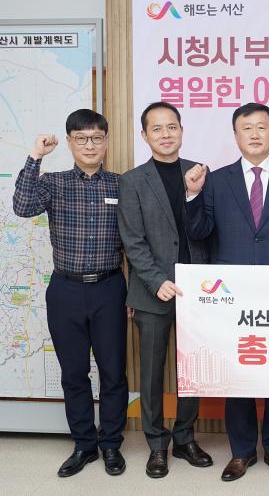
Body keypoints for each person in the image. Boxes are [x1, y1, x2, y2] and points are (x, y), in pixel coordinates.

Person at [184, 102, 269, 482]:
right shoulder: (215, 180)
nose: (255, 134)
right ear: (235, 135)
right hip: (232, 295)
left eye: (262, 127)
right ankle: (241, 451)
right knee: (237, 372)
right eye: (247, 128)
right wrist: (192, 196)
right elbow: (200, 232)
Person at [13, 109, 128, 477]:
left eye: (96, 138)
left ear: (106, 141)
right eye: (81, 139)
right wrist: (35, 156)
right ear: (69, 142)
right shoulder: (53, 182)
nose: (89, 145)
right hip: (65, 290)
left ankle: (111, 444)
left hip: (110, 288)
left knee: (113, 372)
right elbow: (22, 206)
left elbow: (136, 240)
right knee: (74, 373)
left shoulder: (122, 185)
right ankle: (84, 445)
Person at [118, 102, 213, 478]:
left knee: (193, 369)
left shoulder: (199, 172)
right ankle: (157, 444)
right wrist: (156, 281)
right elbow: (133, 240)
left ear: (182, 130)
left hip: (197, 291)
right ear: (144, 135)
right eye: (156, 129)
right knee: (152, 372)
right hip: (152, 290)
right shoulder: (132, 181)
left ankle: (185, 438)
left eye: (172, 126)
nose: (165, 134)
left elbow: (208, 228)